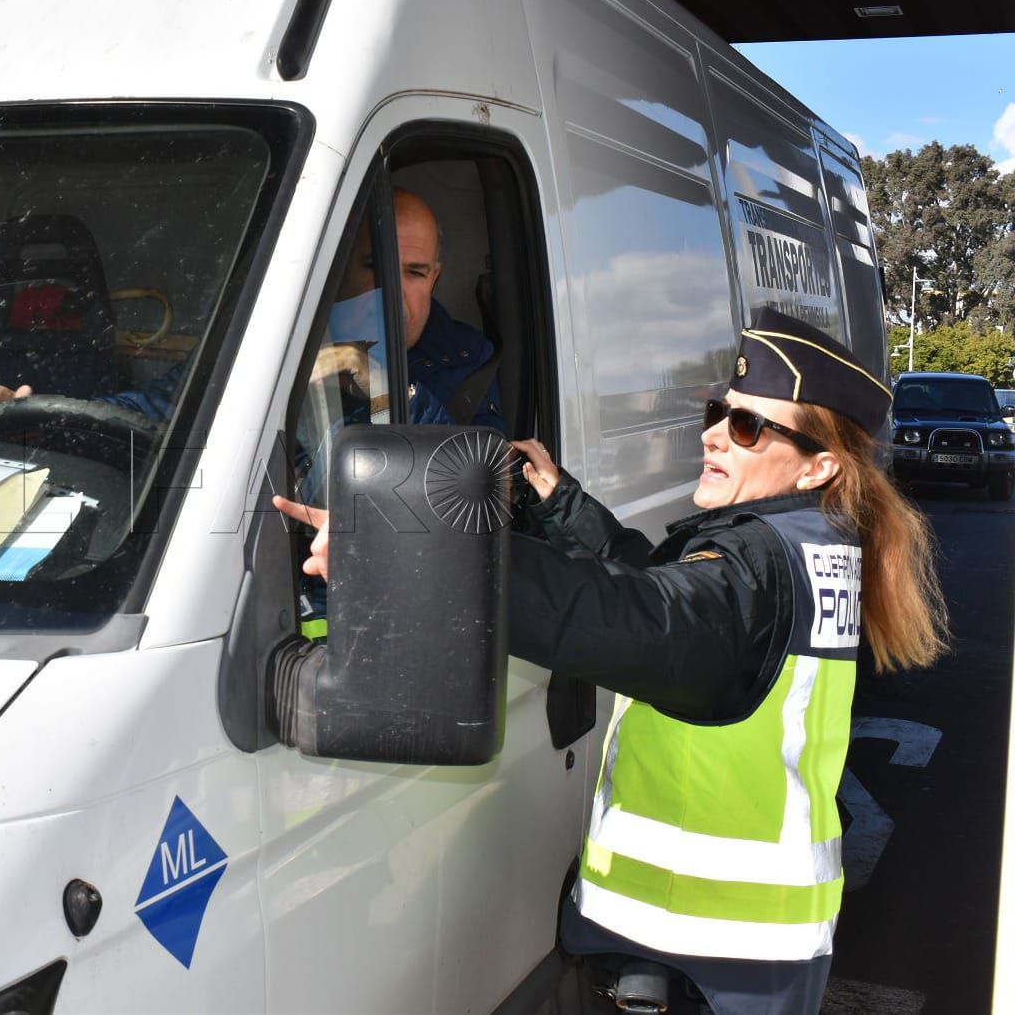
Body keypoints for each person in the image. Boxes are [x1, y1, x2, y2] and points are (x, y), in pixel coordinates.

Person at [274, 307, 947, 1015]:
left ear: (820, 466)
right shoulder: (806, 548)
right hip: (744, 950)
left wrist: (405, 548)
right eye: (721, 412)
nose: (714, 435)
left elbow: (629, 620)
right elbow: (667, 602)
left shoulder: (752, 572)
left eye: (748, 428)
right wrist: (566, 508)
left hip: (697, 956)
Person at [0, 189, 506, 437]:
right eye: (373, 269)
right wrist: (33, 414)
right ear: (335, 274)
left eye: (413, 273)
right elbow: (152, 409)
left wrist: (383, 386)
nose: (393, 295)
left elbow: (480, 488)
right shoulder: (275, 334)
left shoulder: (474, 369)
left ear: (435, 277)